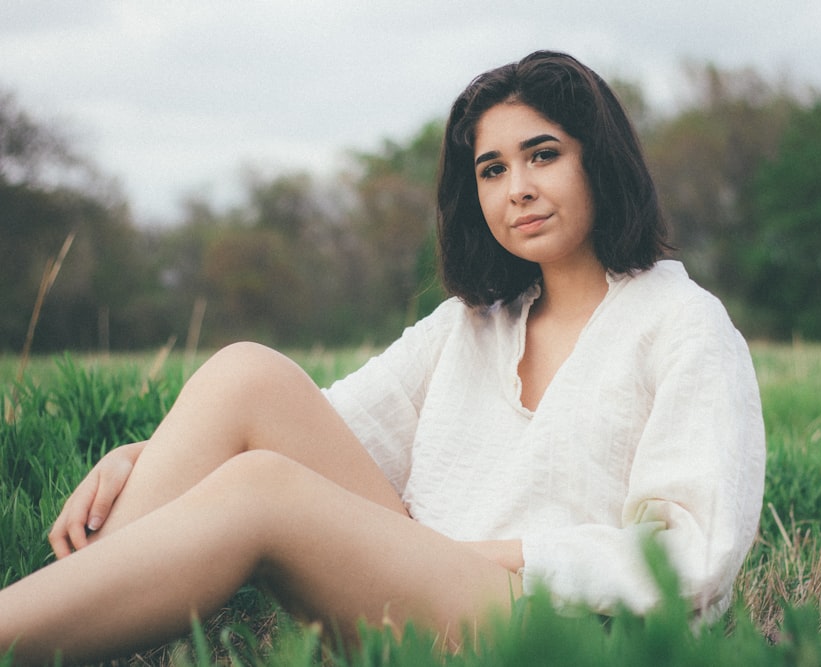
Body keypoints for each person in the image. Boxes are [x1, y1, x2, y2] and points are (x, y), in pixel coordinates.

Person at [0, 50, 765, 665]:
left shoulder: (683, 323)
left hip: (556, 632)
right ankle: (63, 618)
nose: (518, 189)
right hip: (415, 593)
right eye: (492, 169)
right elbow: (320, 430)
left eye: (543, 156)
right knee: (247, 374)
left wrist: (473, 557)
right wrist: (152, 454)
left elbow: (690, 555)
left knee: (263, 488)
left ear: (598, 161)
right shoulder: (472, 325)